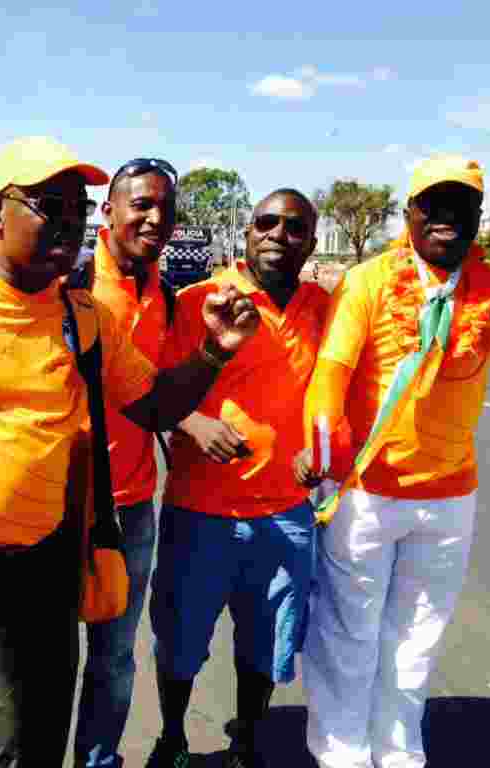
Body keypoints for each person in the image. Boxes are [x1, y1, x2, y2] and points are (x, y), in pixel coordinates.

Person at [0, 135, 262, 768]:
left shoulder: (81, 315)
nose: (67, 221)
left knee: (41, 739)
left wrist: (215, 350)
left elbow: (156, 407)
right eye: (46, 205)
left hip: (49, 563)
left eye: (75, 206)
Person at [297, 156, 490, 768]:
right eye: (433, 204)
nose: (446, 217)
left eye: (461, 205)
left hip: (450, 499)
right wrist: (325, 434)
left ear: (478, 216)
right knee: (352, 634)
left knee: (416, 641)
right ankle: (341, 752)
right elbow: (332, 371)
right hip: (368, 494)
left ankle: (398, 753)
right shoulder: (368, 282)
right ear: (410, 213)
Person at [146, 190, 328, 768]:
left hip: (286, 516)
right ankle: (172, 739)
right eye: (266, 223)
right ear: (247, 233)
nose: (278, 234)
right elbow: (153, 391)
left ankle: (246, 744)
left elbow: (344, 390)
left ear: (311, 242)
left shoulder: (323, 307)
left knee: (266, 644)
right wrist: (194, 422)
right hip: (200, 512)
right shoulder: (202, 299)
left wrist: (326, 450)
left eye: (294, 227)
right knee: (179, 644)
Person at [72, 157, 179, 768]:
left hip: (133, 508)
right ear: (108, 211)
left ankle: (99, 761)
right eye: (140, 203)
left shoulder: (166, 294)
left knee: (114, 655)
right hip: (60, 508)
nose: (153, 217)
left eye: (164, 206)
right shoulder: (73, 281)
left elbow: (160, 394)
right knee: (48, 658)